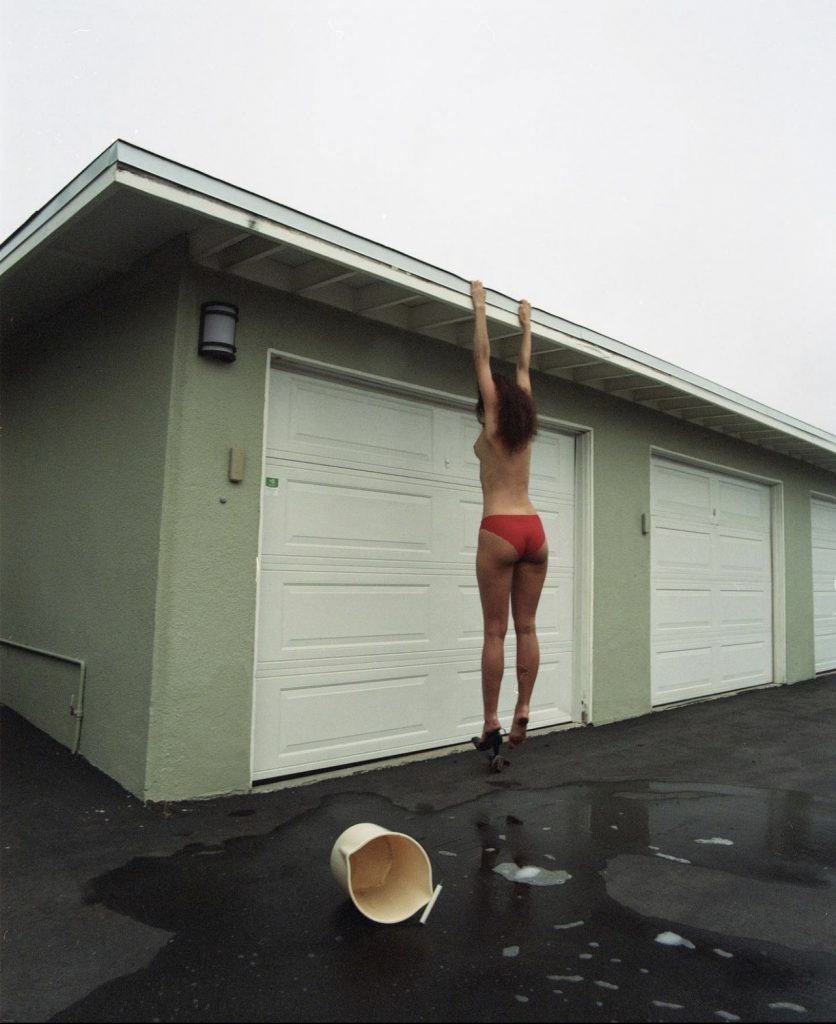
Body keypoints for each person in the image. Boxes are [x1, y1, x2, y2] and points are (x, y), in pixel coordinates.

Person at [470, 280, 548, 758]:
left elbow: (482, 359)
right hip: (534, 530)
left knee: (495, 631)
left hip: (499, 528)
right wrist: (526, 324)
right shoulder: (523, 418)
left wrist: (479, 308)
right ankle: (524, 707)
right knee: (528, 627)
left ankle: (492, 719)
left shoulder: (494, 418)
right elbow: (521, 366)